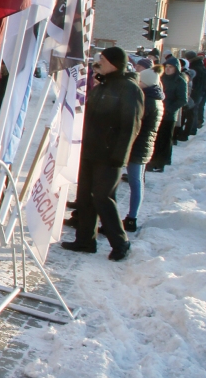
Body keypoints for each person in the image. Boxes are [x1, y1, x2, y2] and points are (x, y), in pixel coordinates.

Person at [61, 47, 144, 262]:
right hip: (90, 150)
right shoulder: (102, 84)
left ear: (114, 63)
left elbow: (131, 125)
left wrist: (120, 156)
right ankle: (85, 240)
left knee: (102, 197)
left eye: (103, 59)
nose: (99, 62)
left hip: (109, 155)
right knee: (85, 197)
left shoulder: (129, 88)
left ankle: (120, 241)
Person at [122, 67, 164, 232]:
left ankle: (132, 218)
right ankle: (132, 217)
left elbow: (136, 121)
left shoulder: (148, 100)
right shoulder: (156, 99)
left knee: (136, 182)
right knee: (136, 181)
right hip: (144, 145)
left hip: (139, 145)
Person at [149, 56, 188, 172]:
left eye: (171, 67)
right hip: (159, 111)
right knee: (156, 138)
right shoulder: (162, 78)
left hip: (169, 115)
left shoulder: (180, 81)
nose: (168, 69)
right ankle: (154, 160)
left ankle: (161, 163)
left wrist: (170, 109)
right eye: (166, 67)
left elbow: (183, 99)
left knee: (165, 139)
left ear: (176, 68)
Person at [183, 50, 206, 137]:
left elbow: (193, 82)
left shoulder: (194, 68)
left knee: (191, 113)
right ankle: (192, 130)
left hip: (194, 92)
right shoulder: (202, 66)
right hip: (200, 92)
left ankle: (189, 131)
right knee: (193, 112)